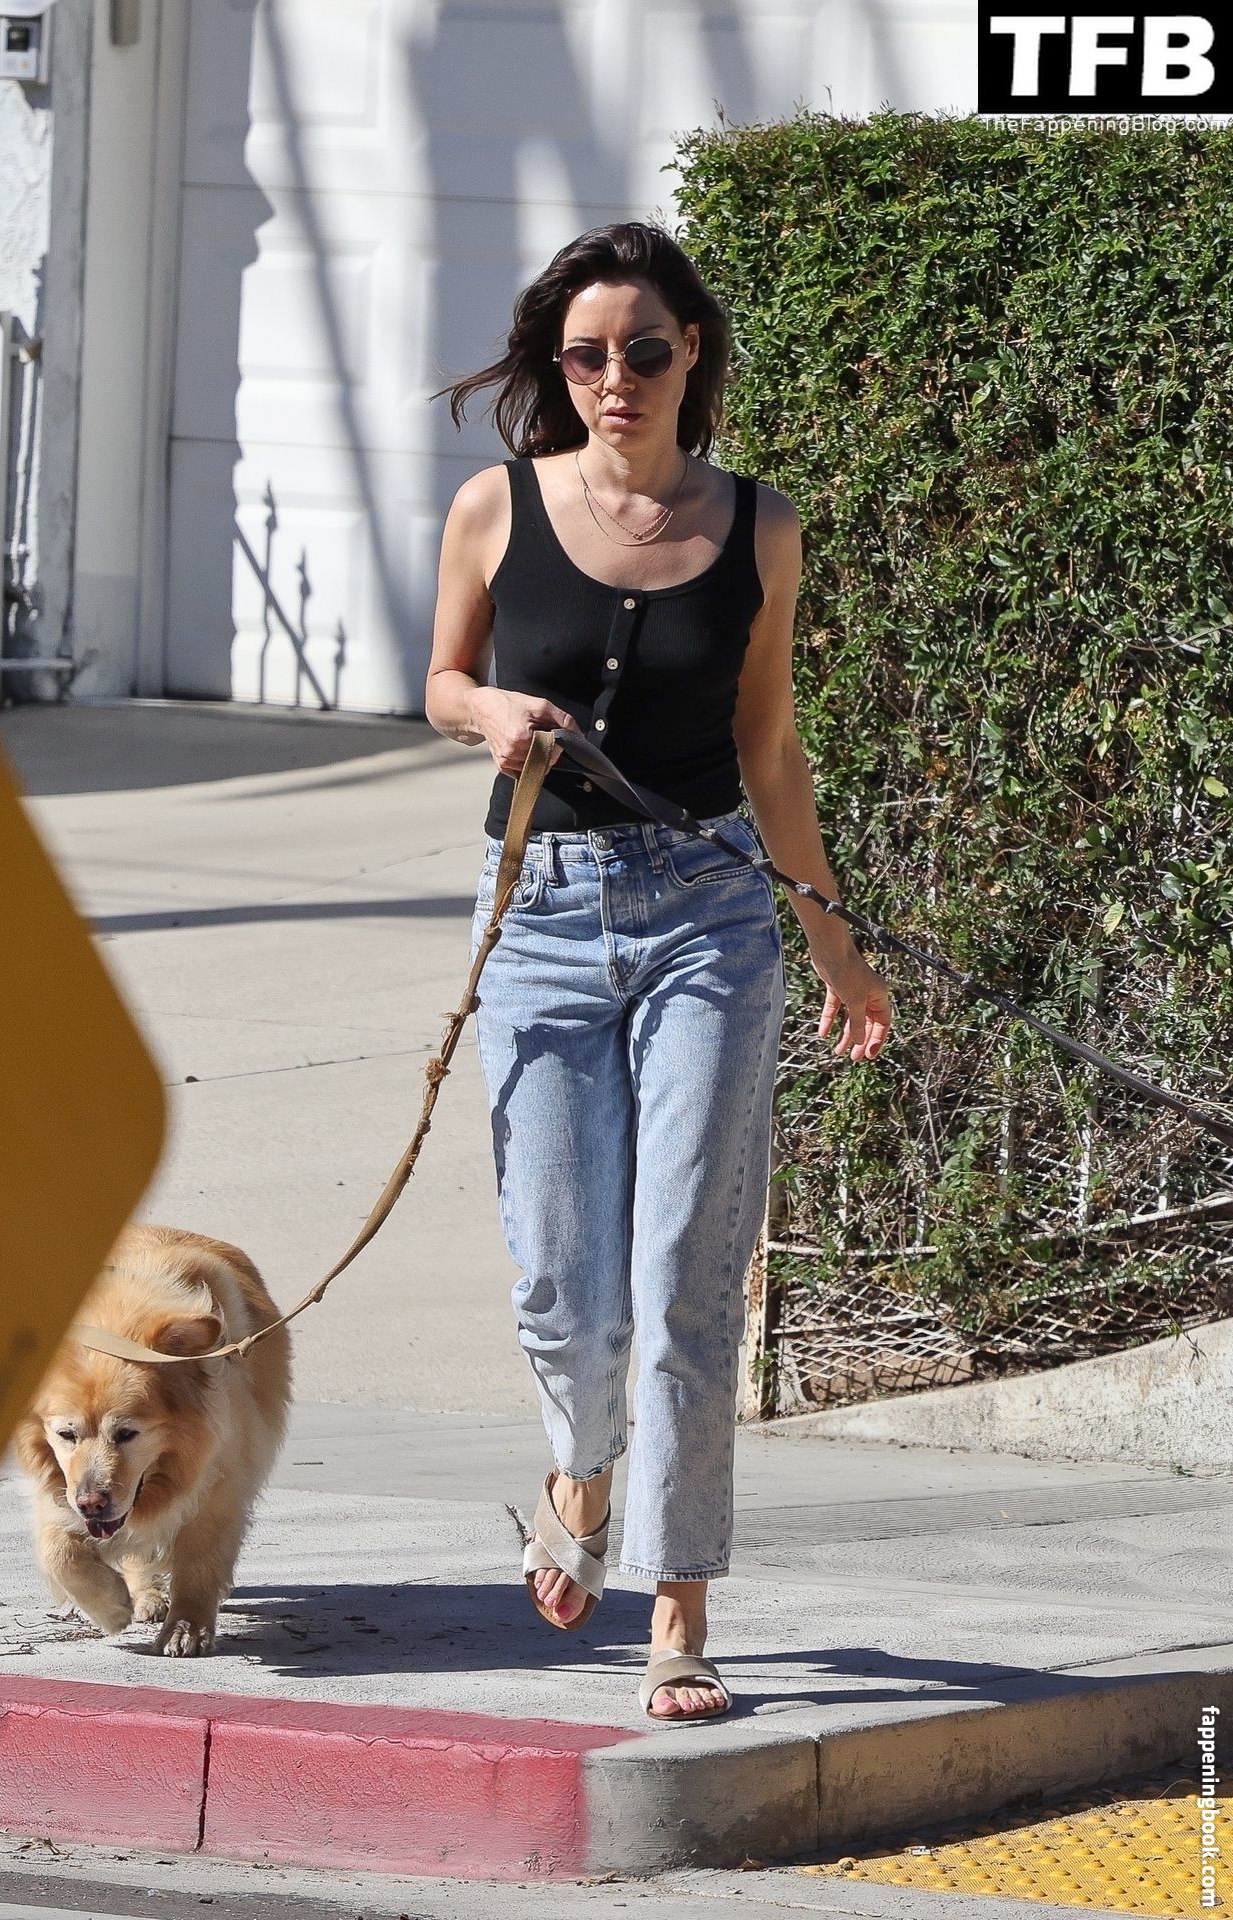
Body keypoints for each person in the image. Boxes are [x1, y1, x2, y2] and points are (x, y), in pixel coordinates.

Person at [425, 221, 892, 1721]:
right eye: (583, 355)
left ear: (691, 352)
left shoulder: (761, 527)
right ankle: (582, 1466)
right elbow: (440, 681)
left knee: (690, 1269)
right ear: (557, 369)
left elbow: (770, 746)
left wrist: (834, 940)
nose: (612, 377)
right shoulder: (497, 506)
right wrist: (488, 713)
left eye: (641, 348)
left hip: (709, 918)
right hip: (542, 916)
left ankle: (678, 1610)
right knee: (567, 1284)